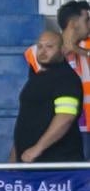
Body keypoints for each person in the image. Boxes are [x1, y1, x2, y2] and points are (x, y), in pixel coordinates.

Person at [12, 29, 84, 166]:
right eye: (40, 46)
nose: (43, 51)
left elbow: (65, 117)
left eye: (49, 46)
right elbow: (25, 119)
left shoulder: (66, 78)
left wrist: (36, 150)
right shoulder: (36, 77)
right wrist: (14, 157)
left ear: (62, 50)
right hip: (29, 165)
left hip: (57, 168)